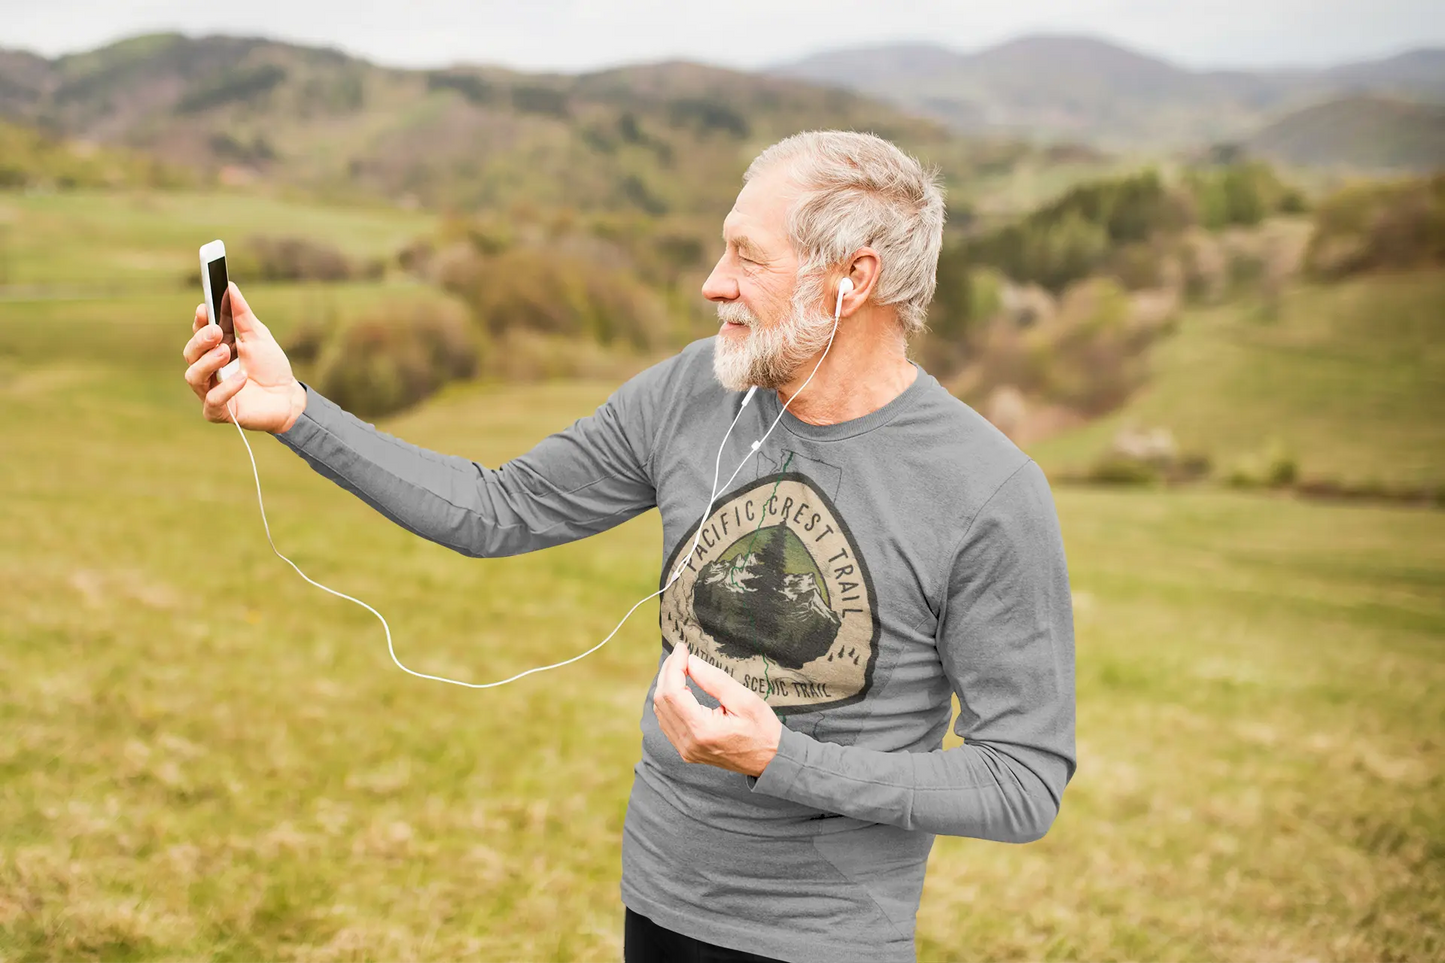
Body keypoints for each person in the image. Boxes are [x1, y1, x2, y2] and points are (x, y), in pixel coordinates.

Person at [180, 129, 1077, 963]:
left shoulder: (987, 492)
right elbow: (497, 507)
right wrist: (297, 412)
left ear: (852, 278)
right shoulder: (693, 389)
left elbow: (1021, 781)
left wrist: (779, 759)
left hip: (826, 935)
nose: (712, 283)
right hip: (657, 897)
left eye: (746, 256)